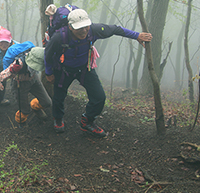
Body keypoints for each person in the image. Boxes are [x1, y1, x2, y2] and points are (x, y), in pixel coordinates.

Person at [45, 8, 153, 136]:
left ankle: (88, 122)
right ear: (70, 27)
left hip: (85, 68)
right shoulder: (59, 37)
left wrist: (137, 36)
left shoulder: (94, 30)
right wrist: (49, 73)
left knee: (99, 97)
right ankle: (58, 119)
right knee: (59, 97)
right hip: (63, 70)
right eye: (79, 28)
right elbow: (48, 54)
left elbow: (115, 29)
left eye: (86, 27)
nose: (84, 31)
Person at [0, 46, 52, 123]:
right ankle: (21, 121)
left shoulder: (43, 53)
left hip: (34, 80)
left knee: (47, 102)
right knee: (24, 110)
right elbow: (5, 74)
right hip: (20, 85)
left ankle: (35, 107)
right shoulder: (18, 64)